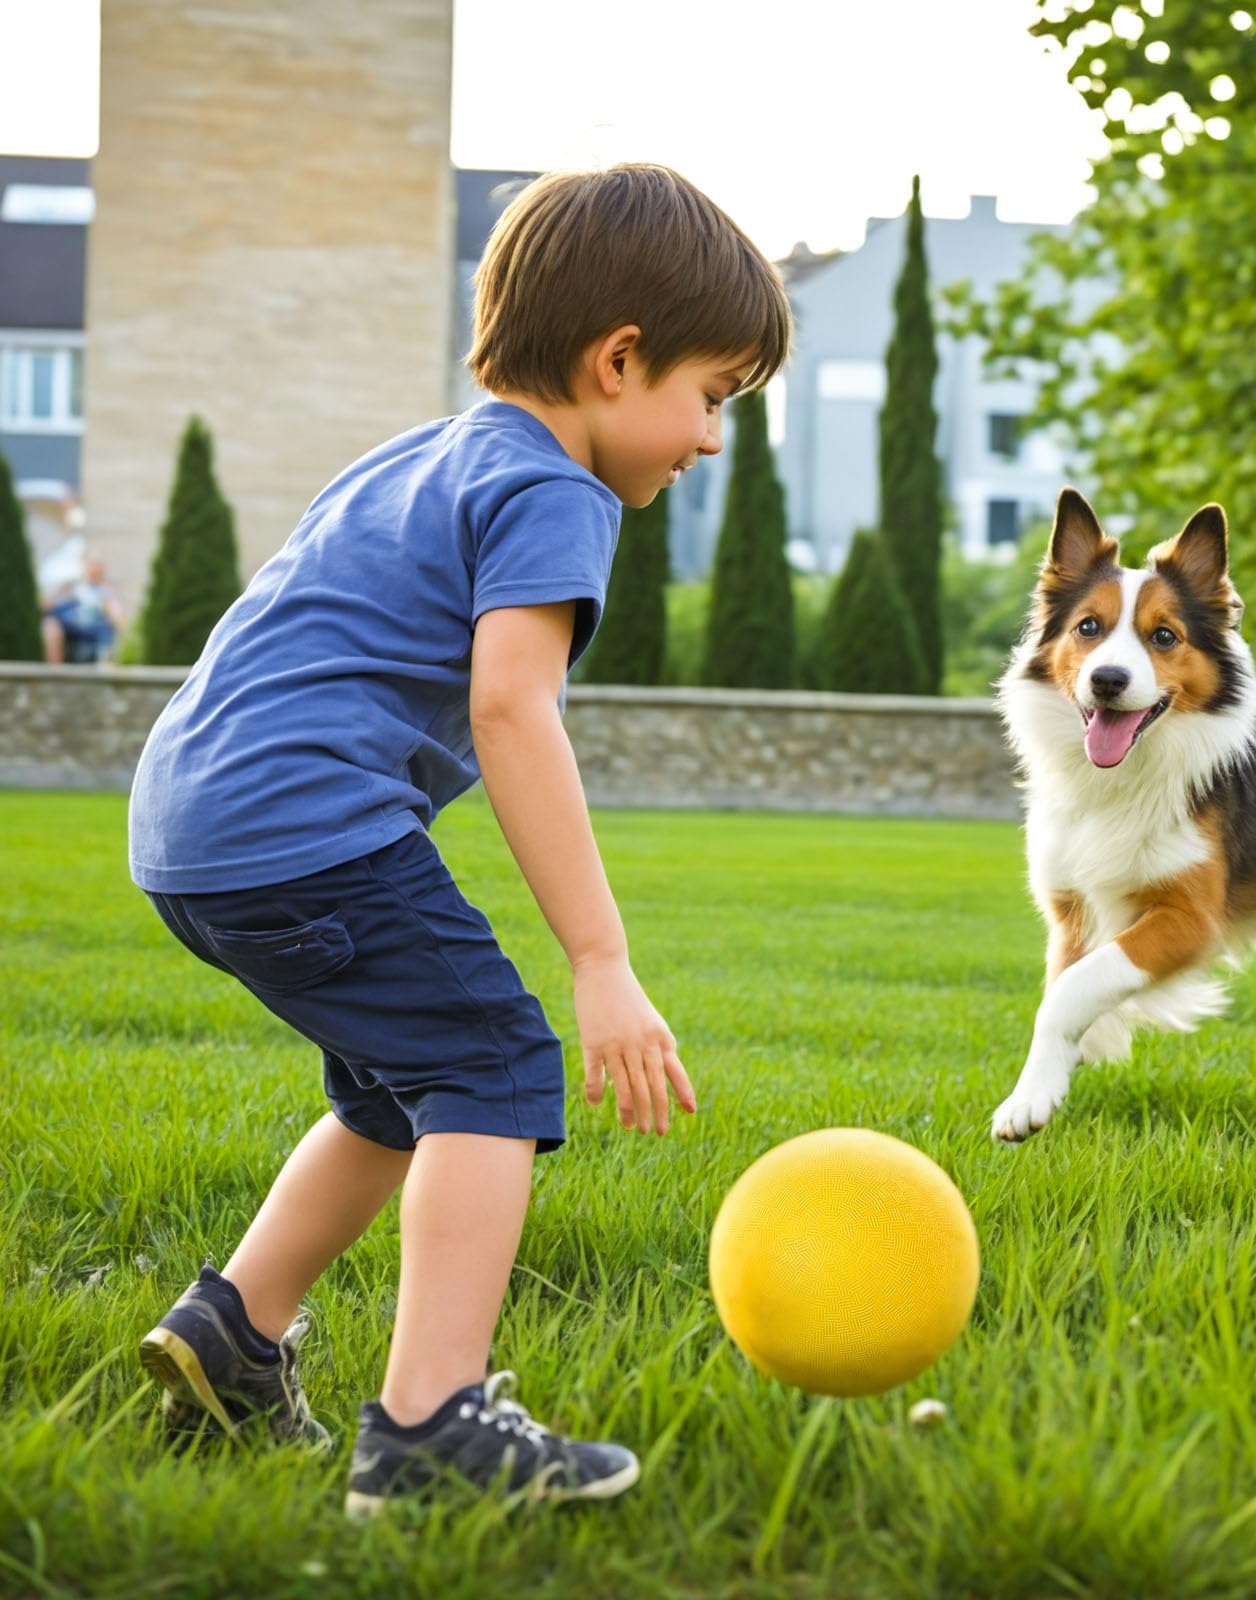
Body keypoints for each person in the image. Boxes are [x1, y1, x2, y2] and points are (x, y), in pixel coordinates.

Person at [126, 164, 791, 1517]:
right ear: (618, 361)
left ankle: (233, 1335)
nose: (712, 438)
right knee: (494, 1061)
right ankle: (432, 1426)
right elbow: (512, 709)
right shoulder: (556, 489)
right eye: (712, 397)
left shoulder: (422, 454)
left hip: (193, 823)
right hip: (302, 825)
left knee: (394, 1089)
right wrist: (599, 963)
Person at [42, 555, 125, 664]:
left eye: (97, 565)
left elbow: (116, 613)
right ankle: (54, 671)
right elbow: (48, 605)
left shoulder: (106, 591)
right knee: (50, 625)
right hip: (70, 626)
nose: (94, 569)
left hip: (95, 629)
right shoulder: (73, 587)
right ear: (85, 567)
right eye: (91, 565)